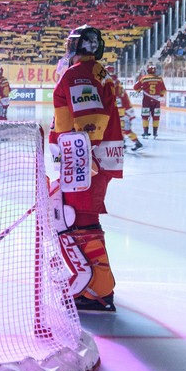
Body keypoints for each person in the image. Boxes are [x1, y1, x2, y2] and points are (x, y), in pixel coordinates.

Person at [50, 25, 123, 312]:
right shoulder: (94, 72)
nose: (68, 49)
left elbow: (90, 119)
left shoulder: (79, 73)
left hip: (86, 161)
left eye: (72, 43)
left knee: (79, 220)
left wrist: (81, 161)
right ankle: (95, 279)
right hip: (89, 158)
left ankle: (98, 289)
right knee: (81, 218)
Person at [106, 65, 143, 152]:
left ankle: (136, 143)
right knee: (121, 129)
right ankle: (123, 144)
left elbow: (118, 100)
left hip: (123, 113)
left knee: (126, 130)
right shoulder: (116, 84)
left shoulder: (112, 84)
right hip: (123, 112)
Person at [133, 64, 168, 138]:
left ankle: (145, 132)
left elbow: (135, 87)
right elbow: (164, 90)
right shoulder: (159, 79)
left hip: (146, 101)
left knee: (145, 116)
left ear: (147, 70)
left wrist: (140, 89)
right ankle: (155, 133)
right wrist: (160, 95)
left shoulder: (143, 78)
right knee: (156, 117)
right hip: (156, 101)